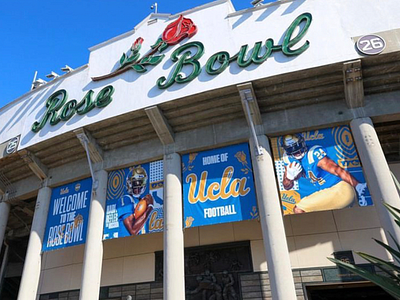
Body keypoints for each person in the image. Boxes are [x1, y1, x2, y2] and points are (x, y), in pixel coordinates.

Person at [281, 133, 367, 214]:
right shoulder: (288, 160)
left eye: (297, 146)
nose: (296, 151)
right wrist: (289, 178)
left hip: (340, 189)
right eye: (290, 149)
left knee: (299, 209)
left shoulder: (312, 154)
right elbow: (287, 186)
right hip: (333, 193)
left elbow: (337, 170)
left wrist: (357, 185)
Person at [117, 166, 154, 235]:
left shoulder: (141, 201)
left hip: (139, 243)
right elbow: (133, 231)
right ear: (130, 184)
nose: (138, 189)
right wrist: (150, 207)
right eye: (135, 184)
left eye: (140, 185)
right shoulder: (125, 199)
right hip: (126, 243)